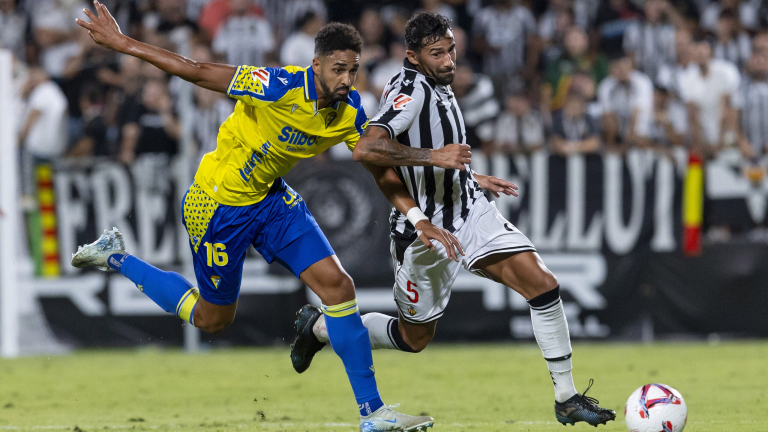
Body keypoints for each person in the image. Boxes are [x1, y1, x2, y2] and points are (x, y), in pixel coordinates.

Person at [70, 2, 469, 430]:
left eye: (353, 70)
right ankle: (116, 257)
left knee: (338, 287)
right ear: (315, 65)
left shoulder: (350, 113)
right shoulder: (277, 84)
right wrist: (123, 43)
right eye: (337, 69)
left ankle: (373, 414)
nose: (345, 80)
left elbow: (380, 169)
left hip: (270, 199)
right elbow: (197, 69)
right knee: (212, 319)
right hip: (218, 203)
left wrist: (417, 218)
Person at [290, 13, 616, 428]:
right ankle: (319, 328)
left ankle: (566, 397)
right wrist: (436, 158)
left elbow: (430, 149)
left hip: (470, 211)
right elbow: (368, 147)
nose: (448, 61)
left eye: (451, 51)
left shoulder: (437, 82)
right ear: (412, 55)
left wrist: (467, 176)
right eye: (437, 53)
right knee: (413, 339)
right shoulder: (408, 90)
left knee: (543, 284)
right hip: (423, 232)